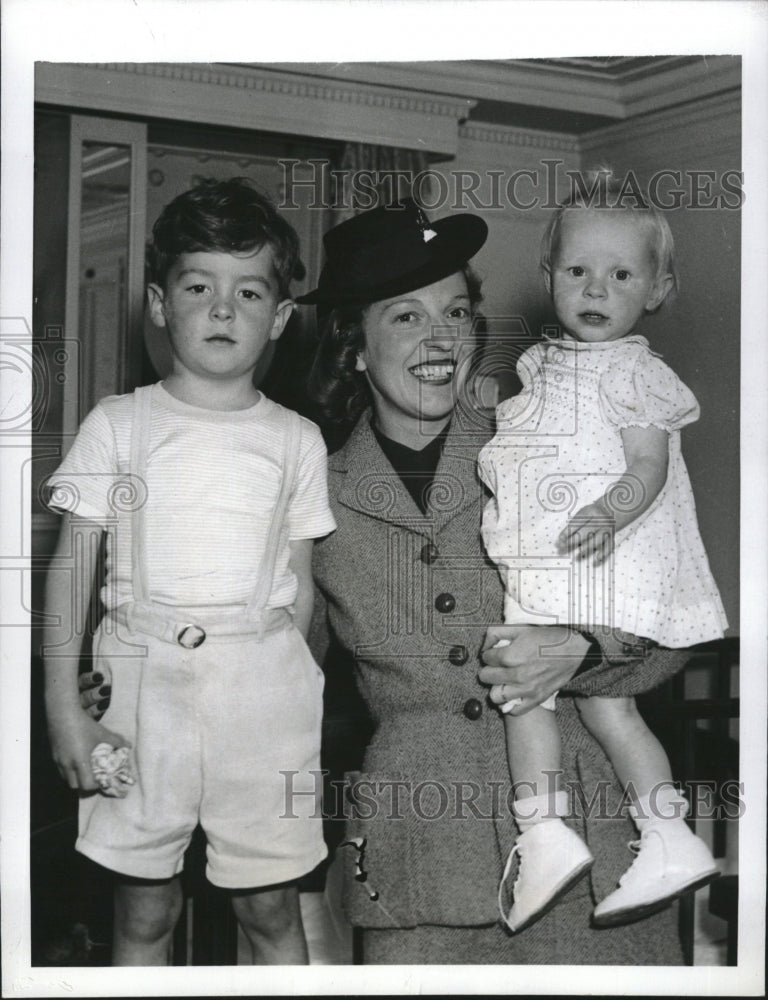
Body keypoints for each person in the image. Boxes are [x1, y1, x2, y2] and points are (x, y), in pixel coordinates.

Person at [81, 199, 691, 965]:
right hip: (417, 871)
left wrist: (581, 650)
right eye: (405, 318)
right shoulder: (311, 492)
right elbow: (276, 667)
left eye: (457, 314)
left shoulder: (559, 440)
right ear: (356, 346)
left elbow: (672, 633)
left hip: (595, 857)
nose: (439, 340)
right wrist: (130, 688)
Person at [43, 178, 336, 965]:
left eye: (248, 292)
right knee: (142, 911)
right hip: (141, 688)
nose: (221, 309)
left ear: (278, 318)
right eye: (198, 286)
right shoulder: (118, 424)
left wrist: (286, 695)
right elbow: (73, 567)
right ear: (159, 303)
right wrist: (66, 708)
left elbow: (300, 585)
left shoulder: (297, 440)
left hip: (262, 690)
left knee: (274, 910)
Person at [477, 186, 727, 933]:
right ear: (549, 271)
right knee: (574, 702)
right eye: (578, 270)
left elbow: (647, 466)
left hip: (601, 563)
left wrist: (611, 510)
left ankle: (552, 833)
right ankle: (649, 836)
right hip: (551, 565)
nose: (596, 289)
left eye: (622, 276)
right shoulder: (545, 368)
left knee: (537, 693)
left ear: (658, 290)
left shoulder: (632, 370)